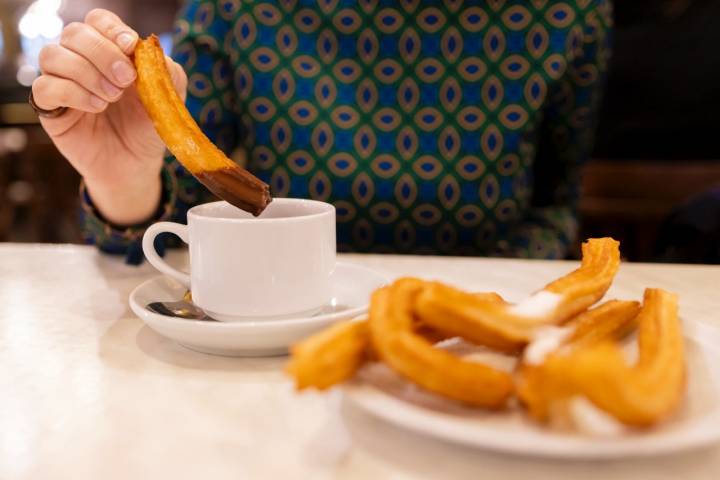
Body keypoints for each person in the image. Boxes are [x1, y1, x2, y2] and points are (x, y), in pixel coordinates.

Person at [32, 1, 611, 263]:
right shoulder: (235, 10)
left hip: (488, 320)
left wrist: (499, 302)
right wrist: (125, 181)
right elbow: (174, 227)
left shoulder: (566, 13)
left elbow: (556, 204)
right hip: (280, 322)